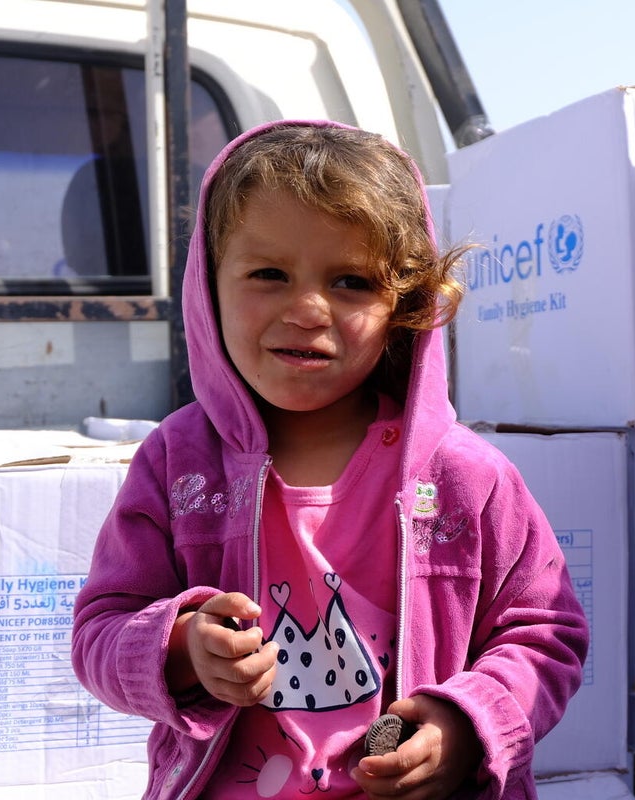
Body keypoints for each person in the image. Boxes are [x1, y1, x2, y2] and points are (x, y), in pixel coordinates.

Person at [72, 119, 590, 800]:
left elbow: (544, 635)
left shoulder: (466, 476)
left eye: (350, 281)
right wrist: (180, 647)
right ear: (209, 286)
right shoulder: (177, 464)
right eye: (268, 274)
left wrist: (467, 724)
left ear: (403, 303)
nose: (308, 308)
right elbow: (100, 631)